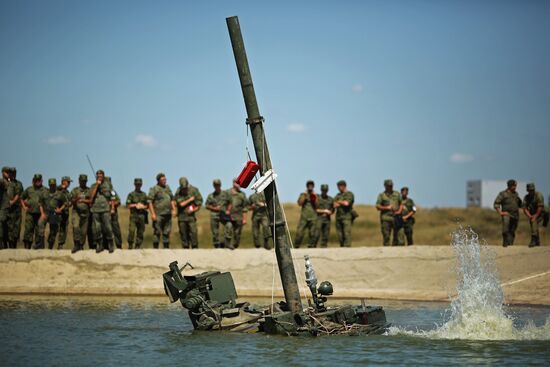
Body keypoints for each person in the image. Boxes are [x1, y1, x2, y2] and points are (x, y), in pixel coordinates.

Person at [36, 178, 68, 250]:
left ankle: (50, 247)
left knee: (53, 232)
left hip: (54, 214)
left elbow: (65, 203)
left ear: (55, 185)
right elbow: (40, 203)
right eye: (51, 185)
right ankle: (41, 244)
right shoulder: (44, 193)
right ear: (49, 185)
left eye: (53, 185)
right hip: (46, 213)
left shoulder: (59, 194)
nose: (52, 186)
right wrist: (42, 213)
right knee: (40, 223)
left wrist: (60, 209)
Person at [88, 170, 115, 253]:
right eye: (98, 176)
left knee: (108, 227)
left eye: (101, 176)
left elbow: (113, 196)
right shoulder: (93, 186)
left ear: (103, 176)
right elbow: (91, 197)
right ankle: (100, 244)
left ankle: (110, 243)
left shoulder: (108, 185)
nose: (99, 177)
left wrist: (113, 208)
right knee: (97, 228)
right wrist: (97, 185)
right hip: (95, 209)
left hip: (105, 209)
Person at [148, 173, 176, 249]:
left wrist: (174, 209)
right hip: (158, 214)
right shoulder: (154, 189)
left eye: (165, 179)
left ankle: (166, 248)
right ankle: (155, 249)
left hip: (168, 213)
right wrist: (153, 214)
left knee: (167, 232)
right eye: (163, 180)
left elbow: (172, 199)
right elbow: (149, 202)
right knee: (157, 232)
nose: (165, 181)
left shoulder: (168, 188)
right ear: (158, 180)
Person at [175, 177, 203, 249]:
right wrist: (190, 200)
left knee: (193, 233)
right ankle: (185, 249)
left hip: (191, 217)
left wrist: (193, 209)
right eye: (183, 189)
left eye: (185, 188)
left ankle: (195, 248)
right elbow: (180, 204)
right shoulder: (178, 191)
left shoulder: (194, 190)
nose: (184, 190)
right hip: (181, 217)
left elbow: (199, 202)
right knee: (183, 234)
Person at [21, 174, 47, 249]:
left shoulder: (45, 190)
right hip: (30, 213)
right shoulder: (29, 189)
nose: (37, 182)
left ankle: (37, 248)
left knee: (39, 231)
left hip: (40, 214)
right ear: (33, 181)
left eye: (39, 180)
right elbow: (22, 198)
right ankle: (27, 248)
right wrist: (24, 207)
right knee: (28, 230)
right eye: (36, 180)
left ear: (42, 181)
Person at [220, 178, 248, 250]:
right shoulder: (226, 192)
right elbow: (222, 204)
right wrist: (225, 210)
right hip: (228, 216)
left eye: (240, 183)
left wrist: (244, 219)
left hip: (238, 217)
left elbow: (245, 208)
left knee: (237, 233)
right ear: (233, 183)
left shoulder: (242, 195)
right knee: (228, 228)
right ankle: (228, 244)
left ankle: (235, 245)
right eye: (237, 183)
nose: (239, 185)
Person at [493, 179, 522, 247]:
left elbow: (520, 203)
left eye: (515, 186)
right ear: (510, 186)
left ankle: (510, 244)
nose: (515, 187)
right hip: (506, 214)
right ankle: (505, 243)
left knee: (512, 230)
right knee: (505, 230)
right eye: (514, 186)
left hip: (515, 215)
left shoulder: (516, 194)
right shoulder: (503, 194)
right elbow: (496, 204)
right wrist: (501, 212)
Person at [376, 179, 402, 246]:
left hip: (396, 217)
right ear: (385, 186)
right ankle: (387, 251)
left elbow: (401, 204)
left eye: (391, 185)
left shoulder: (397, 194)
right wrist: (386, 207)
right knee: (386, 236)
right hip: (386, 218)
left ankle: (395, 251)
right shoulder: (382, 195)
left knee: (397, 236)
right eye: (389, 186)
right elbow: (377, 206)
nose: (390, 187)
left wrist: (399, 211)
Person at [70, 174, 92, 253]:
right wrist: (77, 199)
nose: (83, 182)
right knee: (76, 227)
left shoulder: (89, 190)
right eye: (82, 181)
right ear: (79, 181)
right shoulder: (75, 190)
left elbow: (91, 201)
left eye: (84, 181)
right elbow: (71, 201)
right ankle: (76, 244)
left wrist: (84, 201)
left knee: (83, 231)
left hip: (86, 213)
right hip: (76, 212)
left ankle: (81, 245)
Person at [126, 178, 149, 249]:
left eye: (139, 184)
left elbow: (147, 205)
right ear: (134, 185)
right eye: (137, 184)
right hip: (134, 215)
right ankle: (130, 245)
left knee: (140, 232)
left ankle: (137, 246)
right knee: (131, 231)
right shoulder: (131, 194)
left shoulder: (144, 194)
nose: (138, 186)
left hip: (142, 215)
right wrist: (136, 205)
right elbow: (128, 205)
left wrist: (143, 206)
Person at [295, 180, 318, 248]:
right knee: (300, 232)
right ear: (307, 186)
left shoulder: (316, 195)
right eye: (309, 185)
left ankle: (311, 246)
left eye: (311, 185)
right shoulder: (303, 194)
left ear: (313, 186)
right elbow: (299, 203)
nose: (310, 187)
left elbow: (317, 205)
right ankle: (296, 246)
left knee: (312, 233)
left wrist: (314, 197)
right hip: (304, 217)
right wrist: (305, 195)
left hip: (313, 217)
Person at [333, 180, 355, 247]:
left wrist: (339, 202)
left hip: (346, 217)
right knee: (340, 234)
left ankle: (347, 248)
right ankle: (342, 248)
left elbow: (347, 203)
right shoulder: (338, 195)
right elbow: (334, 205)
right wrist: (340, 203)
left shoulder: (349, 194)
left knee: (346, 233)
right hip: (338, 217)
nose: (338, 188)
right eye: (338, 187)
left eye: (339, 186)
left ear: (344, 186)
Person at [523, 183, 545, 248]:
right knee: (534, 225)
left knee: (533, 222)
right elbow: (524, 208)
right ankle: (537, 241)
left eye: (532, 190)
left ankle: (533, 240)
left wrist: (535, 216)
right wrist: (529, 216)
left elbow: (540, 207)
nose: (531, 191)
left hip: (541, 213)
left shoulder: (539, 195)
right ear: (527, 190)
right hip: (532, 214)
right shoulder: (526, 197)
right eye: (530, 190)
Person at [7, 167, 23, 248]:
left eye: (14, 173)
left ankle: (14, 247)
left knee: (16, 229)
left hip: (16, 209)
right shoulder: (4, 183)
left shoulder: (18, 184)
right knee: (7, 228)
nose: (13, 174)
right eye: (11, 173)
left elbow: (18, 195)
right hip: (6, 209)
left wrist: (12, 202)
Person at [205, 179, 225, 248]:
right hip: (214, 215)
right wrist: (214, 208)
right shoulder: (211, 196)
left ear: (220, 185)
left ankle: (224, 243)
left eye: (218, 185)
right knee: (215, 231)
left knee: (226, 229)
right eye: (215, 185)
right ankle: (216, 245)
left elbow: (230, 202)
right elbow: (207, 205)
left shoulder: (225, 194)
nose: (217, 186)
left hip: (224, 214)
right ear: (214, 186)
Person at [105, 177, 122, 249]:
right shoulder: (100, 191)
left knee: (116, 230)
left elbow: (118, 201)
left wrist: (112, 204)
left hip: (113, 214)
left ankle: (119, 245)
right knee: (105, 230)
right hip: (104, 214)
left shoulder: (112, 191)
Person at [57, 176, 72, 249]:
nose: (69, 184)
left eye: (69, 182)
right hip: (57, 213)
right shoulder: (58, 189)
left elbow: (68, 202)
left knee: (64, 229)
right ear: (63, 181)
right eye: (68, 182)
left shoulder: (67, 192)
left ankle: (60, 245)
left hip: (65, 213)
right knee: (54, 229)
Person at [0, 167, 11, 249]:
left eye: (9, 172)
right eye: (7, 172)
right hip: (2, 208)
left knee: (6, 227)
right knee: (1, 224)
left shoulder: (9, 182)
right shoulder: (2, 181)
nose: (8, 174)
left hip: (8, 208)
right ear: (3, 173)